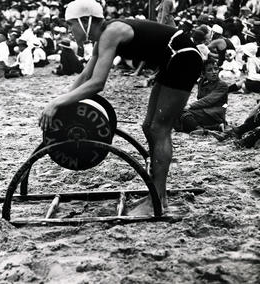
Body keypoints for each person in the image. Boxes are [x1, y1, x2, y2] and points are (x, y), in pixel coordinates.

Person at [39, 0, 203, 216]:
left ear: (85, 21)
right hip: (173, 58)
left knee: (159, 129)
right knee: (148, 126)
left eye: (72, 25)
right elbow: (86, 75)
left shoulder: (111, 32)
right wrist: (62, 101)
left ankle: (158, 199)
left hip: (183, 58)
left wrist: (58, 103)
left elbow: (98, 83)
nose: (70, 30)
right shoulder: (103, 36)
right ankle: (156, 194)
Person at [175, 59, 229, 134]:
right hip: (203, 112)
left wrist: (190, 106)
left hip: (214, 114)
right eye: (209, 70)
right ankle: (215, 127)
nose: (214, 72)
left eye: (216, 69)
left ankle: (201, 129)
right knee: (177, 123)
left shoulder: (222, 85)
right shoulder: (202, 82)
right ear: (203, 73)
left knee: (182, 114)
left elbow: (208, 100)